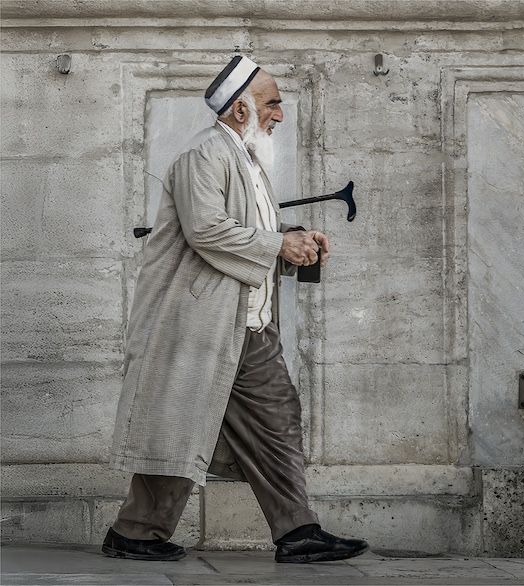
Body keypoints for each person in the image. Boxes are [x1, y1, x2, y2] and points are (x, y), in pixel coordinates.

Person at [102, 56, 368, 564]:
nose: (280, 114)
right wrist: (276, 246)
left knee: (278, 420)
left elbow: (250, 233)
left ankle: (299, 532)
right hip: (200, 324)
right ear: (240, 108)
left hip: (249, 326)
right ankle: (136, 531)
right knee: (180, 426)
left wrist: (294, 241)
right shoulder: (203, 157)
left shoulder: (247, 161)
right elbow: (207, 230)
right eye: (272, 103)